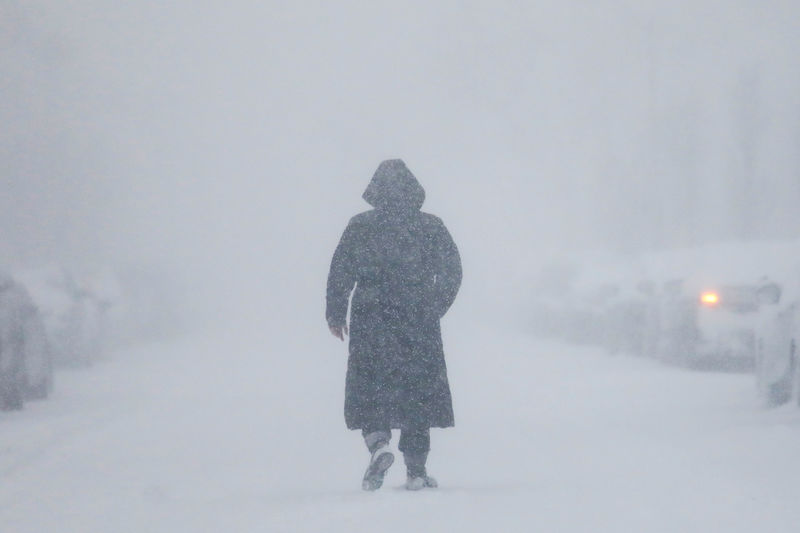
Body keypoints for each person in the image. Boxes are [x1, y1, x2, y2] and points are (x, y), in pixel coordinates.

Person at [326, 159, 462, 491]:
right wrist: (434, 305)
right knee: (417, 390)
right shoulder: (430, 226)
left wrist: (335, 313)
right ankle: (416, 470)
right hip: (417, 316)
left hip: (370, 316)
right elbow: (452, 270)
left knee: (371, 383)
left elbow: (340, 271)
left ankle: (378, 444)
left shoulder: (360, 226)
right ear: (414, 191)